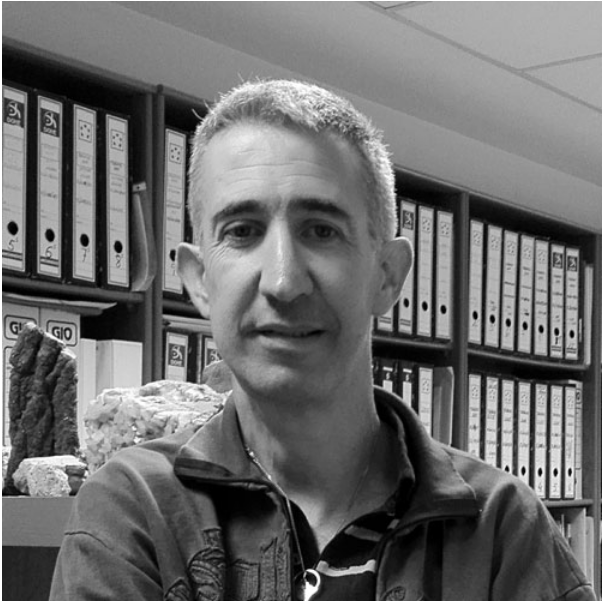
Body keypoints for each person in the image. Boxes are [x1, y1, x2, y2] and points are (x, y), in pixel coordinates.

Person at [50, 79, 595, 601]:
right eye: (242, 231)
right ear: (198, 282)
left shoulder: (502, 529)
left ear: (388, 276)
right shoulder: (134, 511)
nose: (283, 281)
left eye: (321, 231)